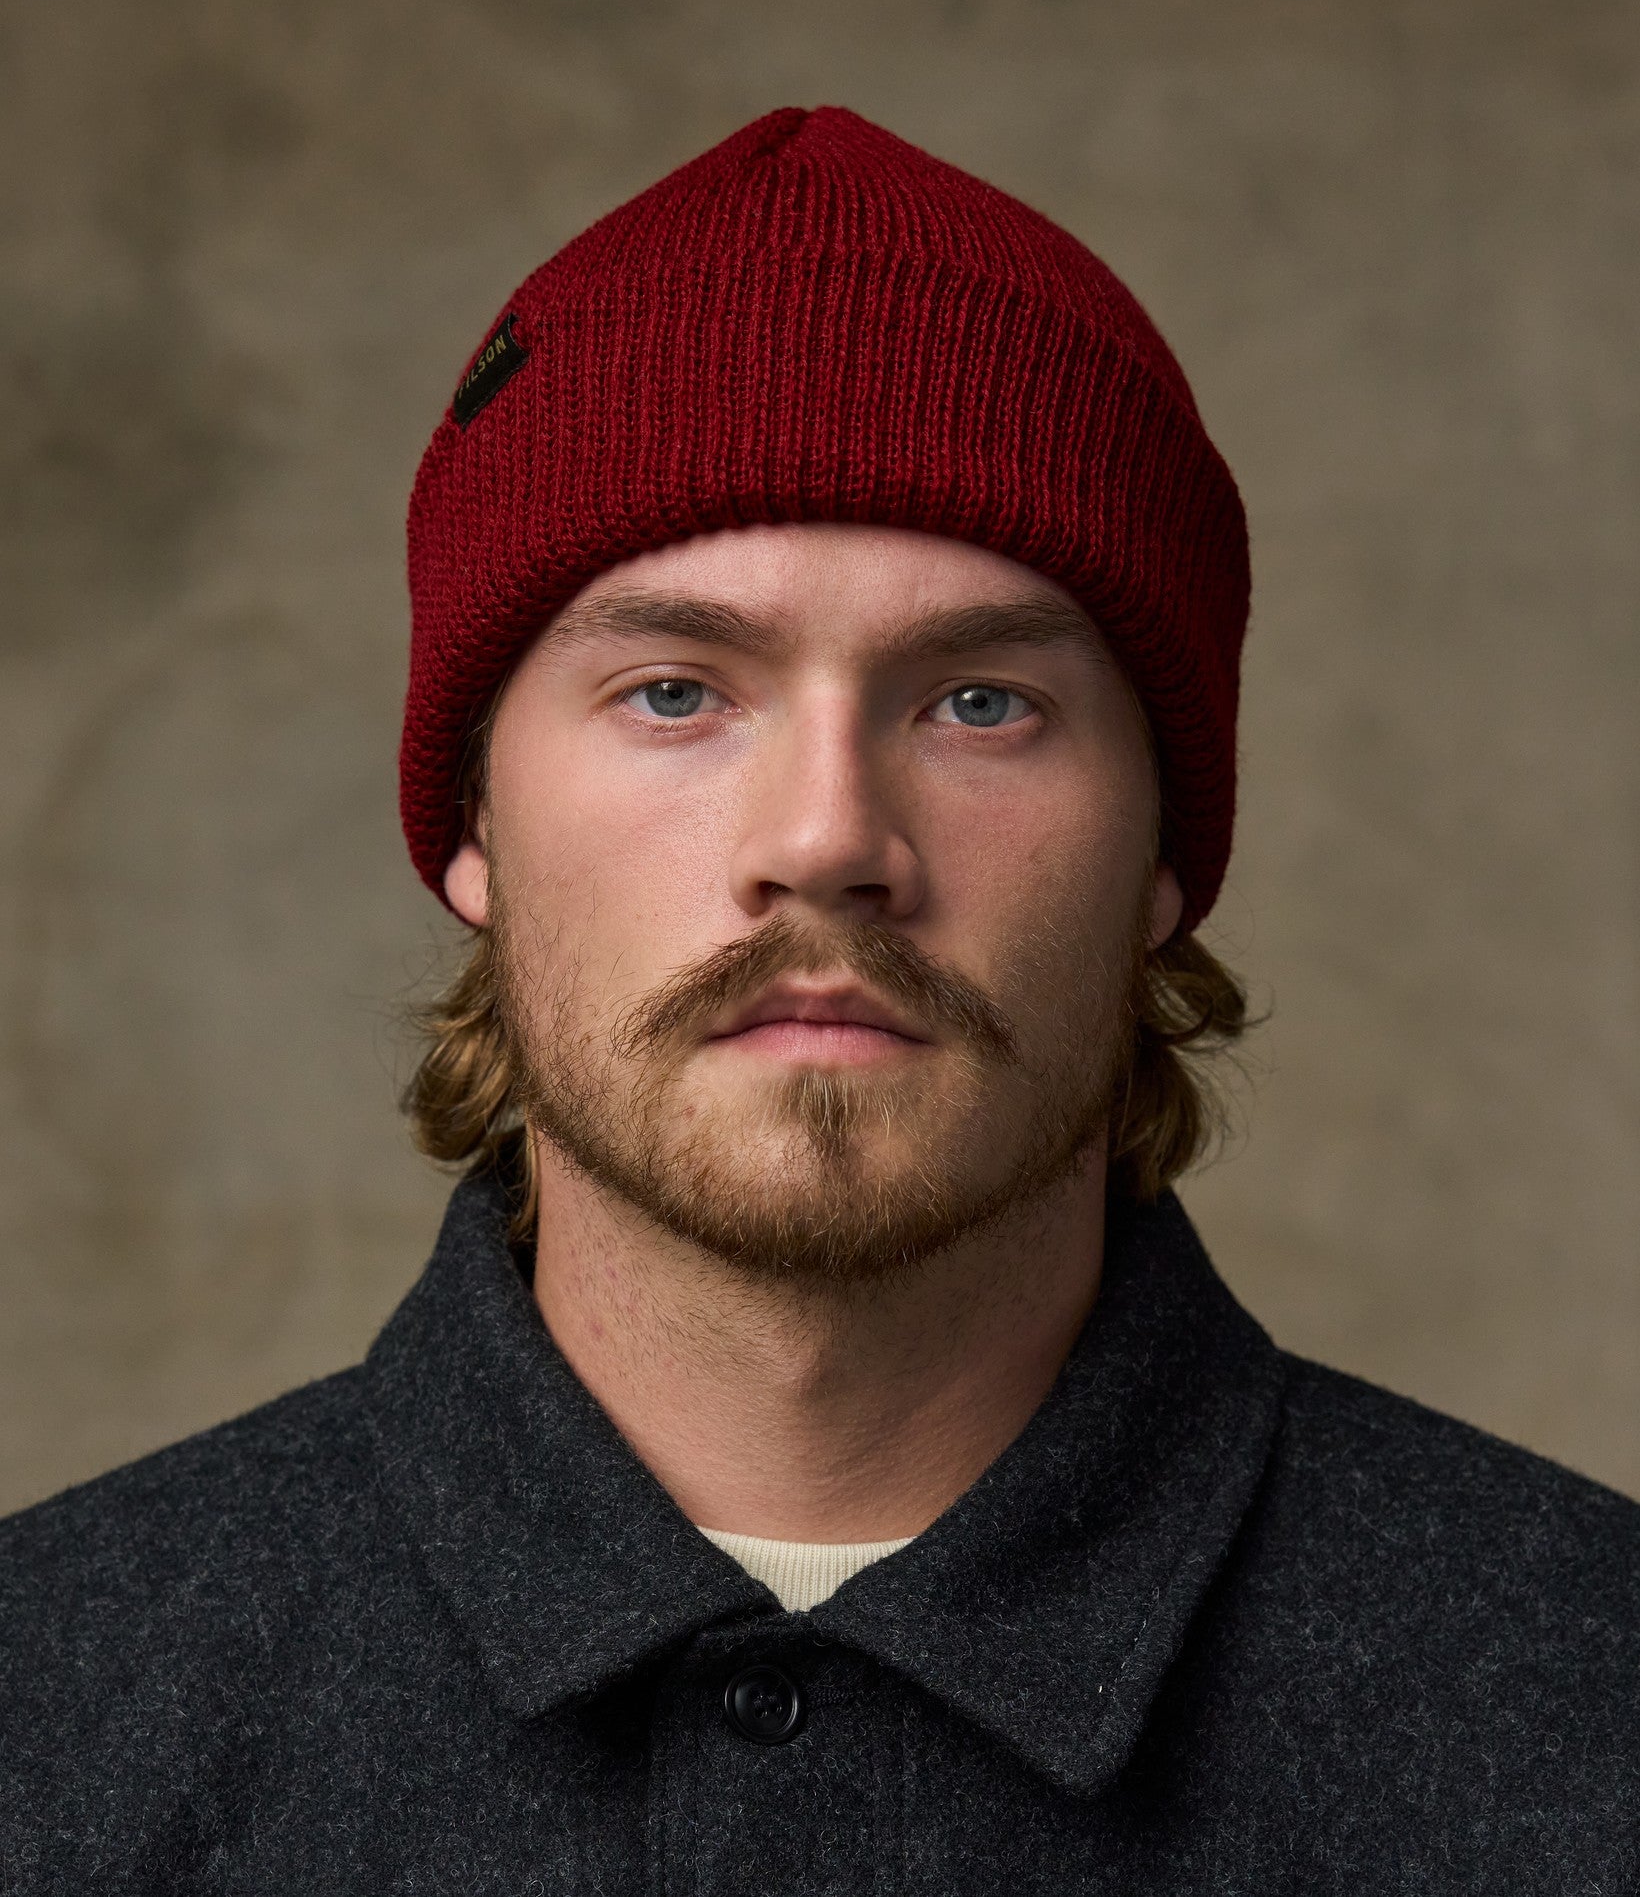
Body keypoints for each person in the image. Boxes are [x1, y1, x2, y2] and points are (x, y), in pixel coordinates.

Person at [2, 106, 1635, 1893]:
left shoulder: (1586, 1709)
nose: (830, 838)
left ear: (1167, 846)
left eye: (982, 702)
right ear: (473, 823)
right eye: (677, 691)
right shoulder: (51, 1720)